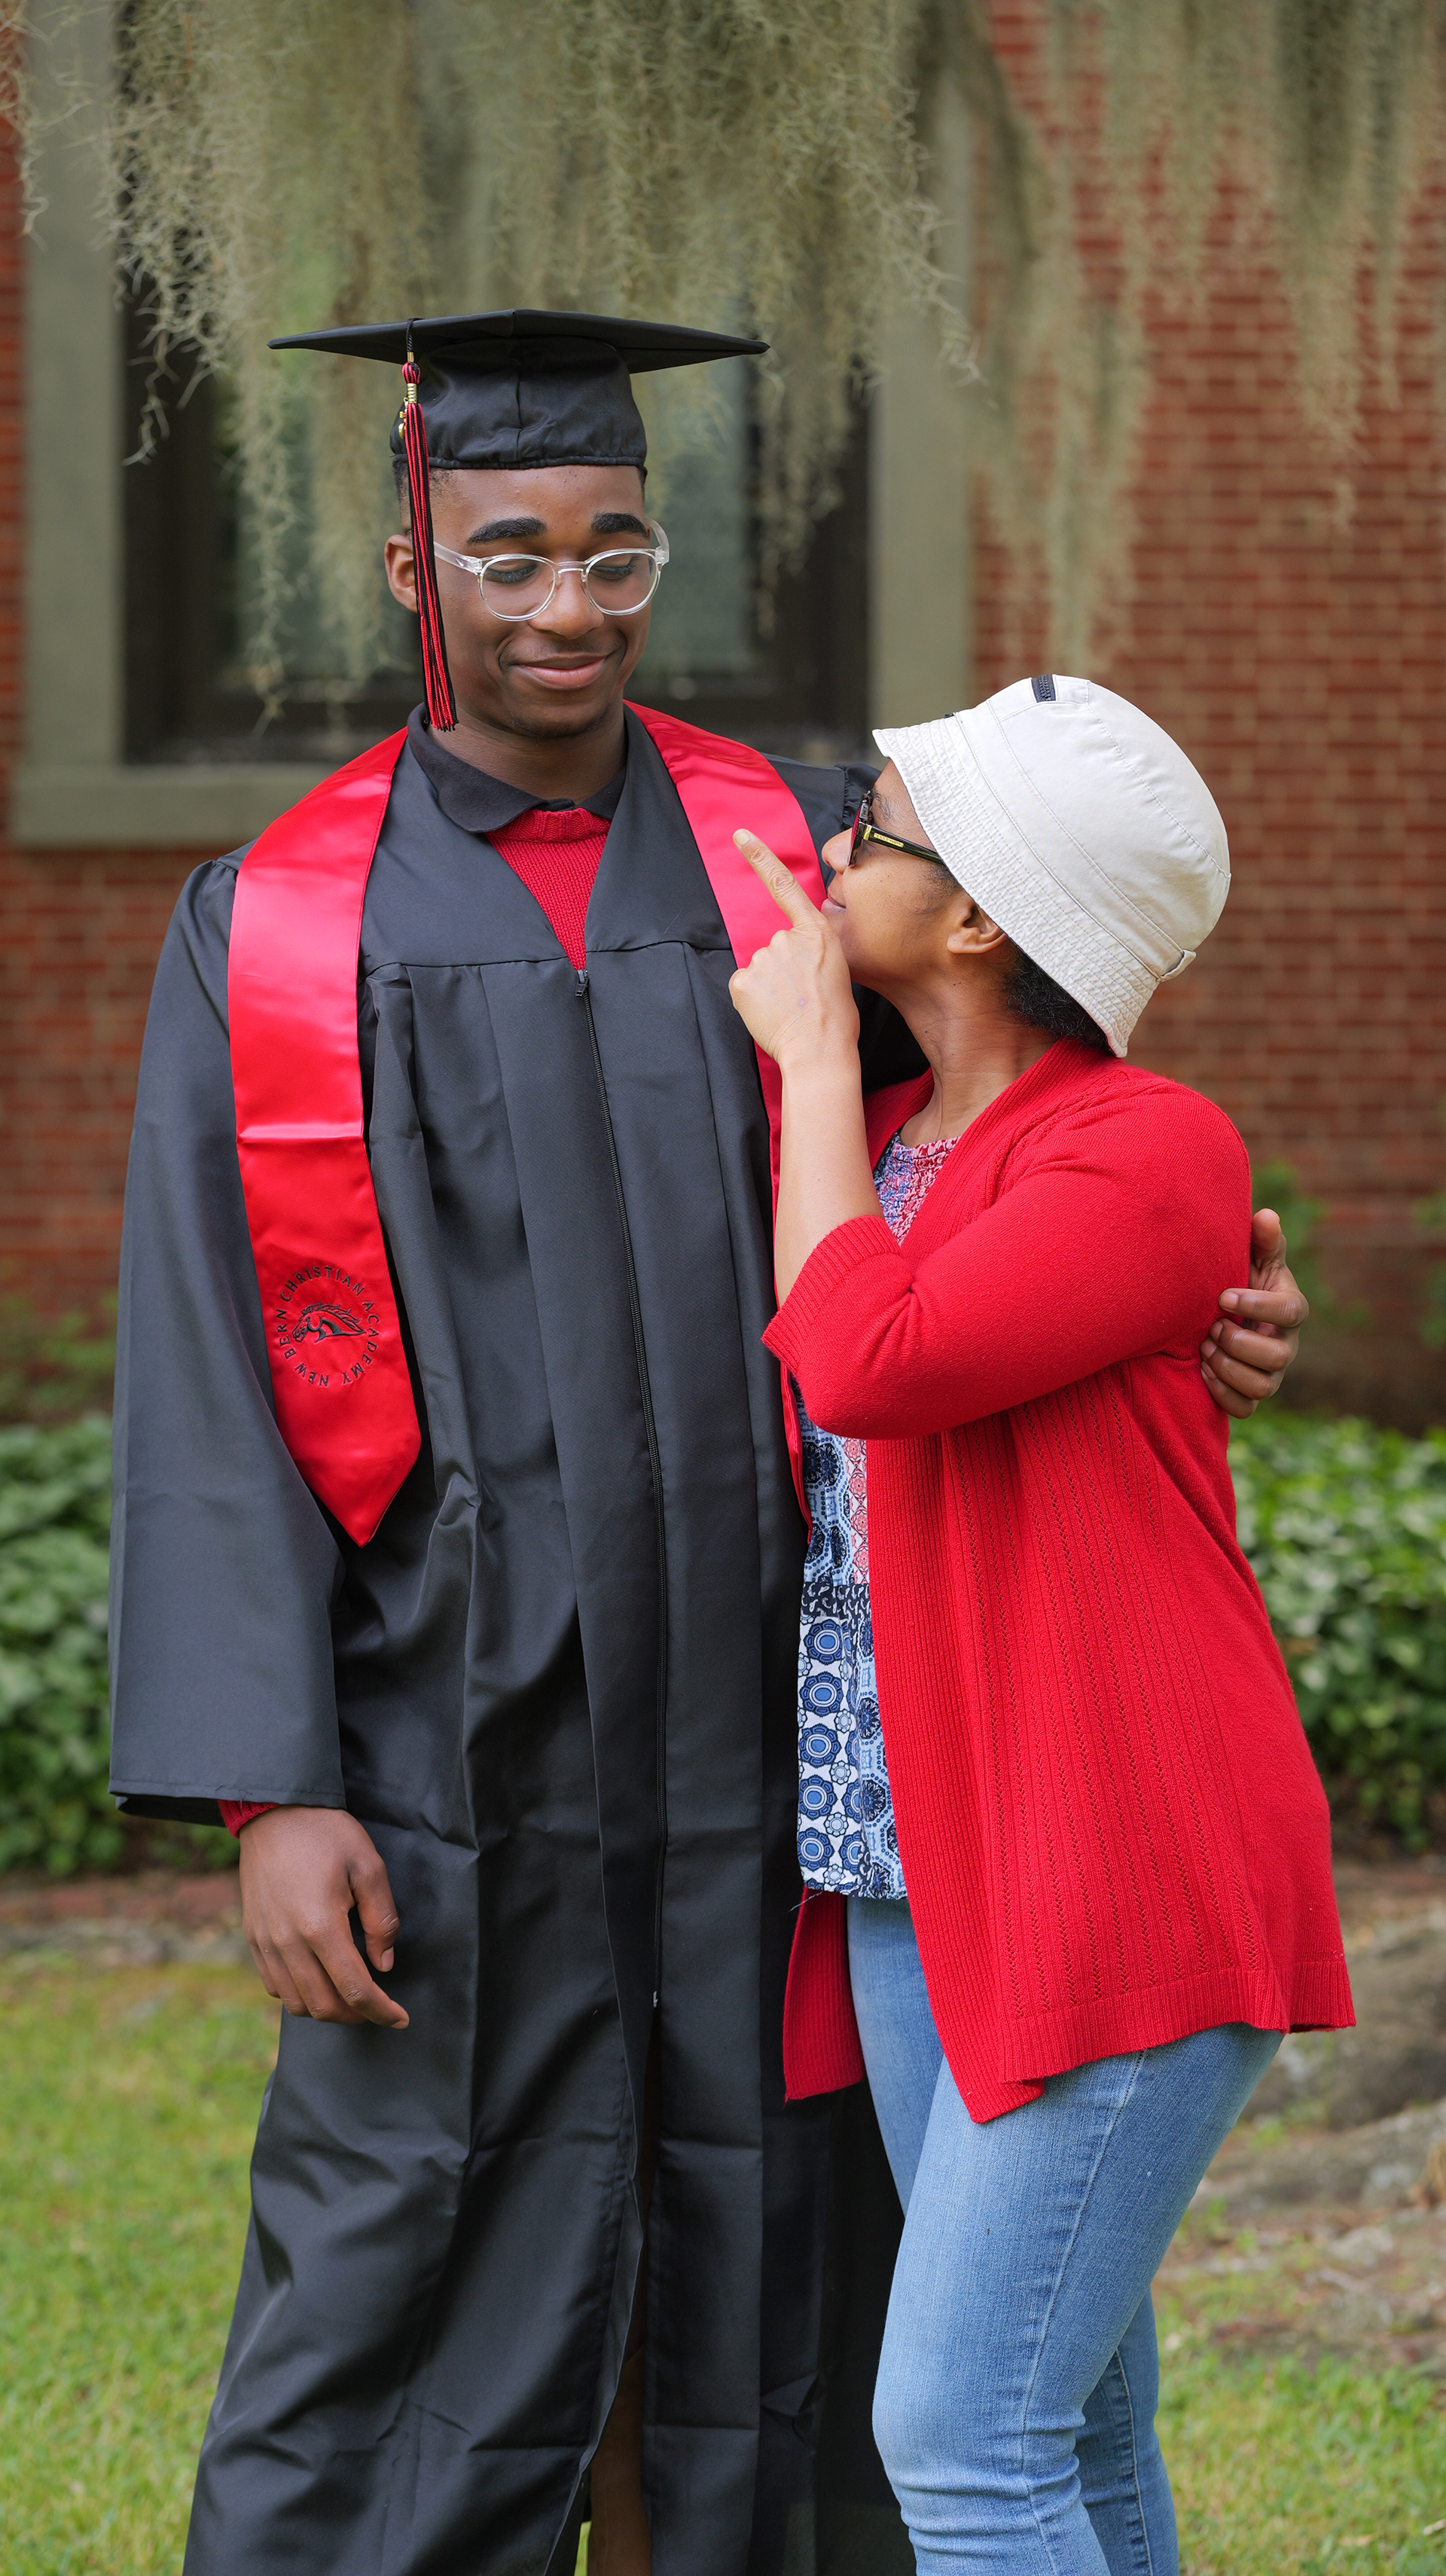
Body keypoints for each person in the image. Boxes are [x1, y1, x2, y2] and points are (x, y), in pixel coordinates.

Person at [108, 302, 1307, 2576]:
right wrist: (274, 1785)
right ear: (413, 567)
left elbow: (1027, 1140)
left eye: (617, 552)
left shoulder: (801, 852)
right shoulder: (276, 923)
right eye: (510, 555)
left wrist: (1210, 1302)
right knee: (406, 2253)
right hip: (457, 1732)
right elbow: (210, 1363)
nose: (567, 604)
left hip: (797, 1738)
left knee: (792, 2270)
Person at [727, 674, 1353, 2574]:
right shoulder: (892, 1138)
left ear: (984, 917)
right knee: (1067, 2417)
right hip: (916, 1858)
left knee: (963, 2434)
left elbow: (872, 1358)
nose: (832, 846)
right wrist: (829, 1092)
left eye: (875, 824)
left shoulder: (1145, 1144)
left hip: (1116, 1850)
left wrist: (807, 1063)